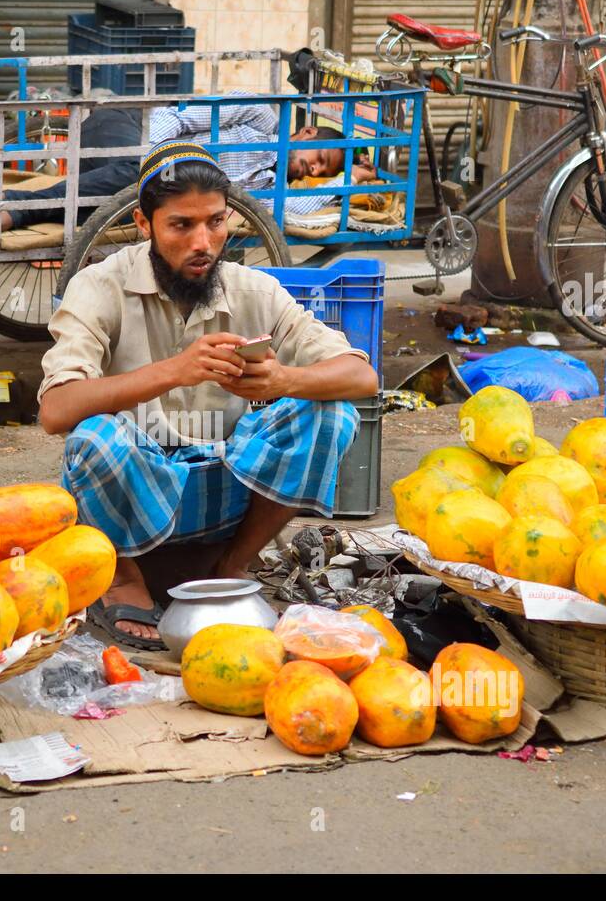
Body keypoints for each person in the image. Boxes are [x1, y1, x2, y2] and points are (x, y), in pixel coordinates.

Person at [37, 141, 378, 643]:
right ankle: (124, 581)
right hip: (133, 488)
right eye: (181, 225)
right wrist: (175, 370)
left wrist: (285, 380)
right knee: (94, 438)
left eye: (216, 222)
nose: (203, 242)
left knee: (332, 416)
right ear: (144, 222)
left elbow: (361, 377)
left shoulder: (251, 289)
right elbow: (55, 410)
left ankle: (231, 567)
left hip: (224, 490)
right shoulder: (99, 287)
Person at [0, 94, 360, 236]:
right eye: (319, 160)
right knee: (137, 172)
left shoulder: (273, 192)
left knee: (134, 188)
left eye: (322, 173)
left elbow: (301, 212)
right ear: (306, 135)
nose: (313, 171)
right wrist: (157, 158)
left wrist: (352, 180)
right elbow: (183, 118)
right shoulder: (261, 119)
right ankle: (18, 205)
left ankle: (19, 205)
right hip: (133, 133)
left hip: (149, 183)